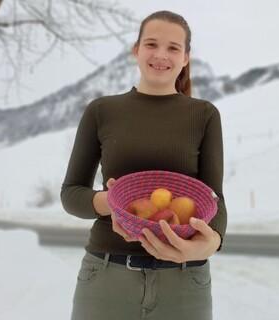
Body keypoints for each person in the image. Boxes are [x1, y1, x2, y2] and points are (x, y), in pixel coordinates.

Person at [60, 10, 227, 320]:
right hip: (107, 275)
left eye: (173, 48)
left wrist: (208, 245)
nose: (161, 55)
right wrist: (111, 202)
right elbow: (71, 194)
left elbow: (214, 197)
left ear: (186, 57)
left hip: (184, 280)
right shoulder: (102, 110)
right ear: (136, 50)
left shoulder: (204, 115)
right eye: (151, 44)